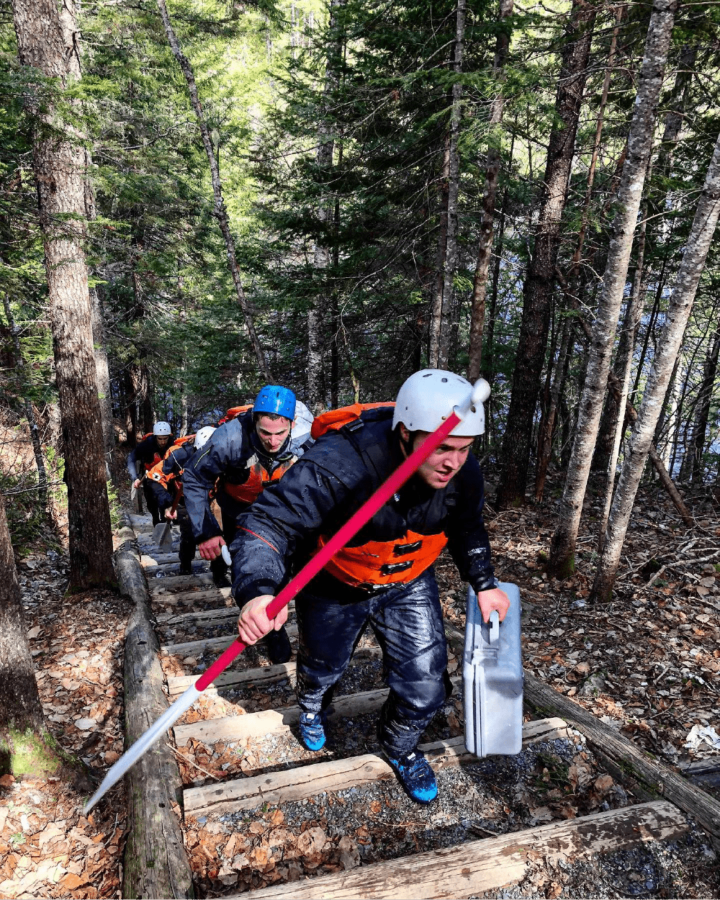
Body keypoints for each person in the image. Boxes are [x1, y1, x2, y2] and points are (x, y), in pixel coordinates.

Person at [229, 370, 510, 804]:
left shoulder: (462, 470)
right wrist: (259, 588)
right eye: (441, 448)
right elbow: (269, 521)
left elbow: (467, 525)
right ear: (405, 433)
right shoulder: (339, 462)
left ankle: (399, 745)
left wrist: (484, 582)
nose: (453, 463)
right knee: (322, 665)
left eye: (464, 448)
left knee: (427, 687)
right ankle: (312, 706)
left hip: (408, 580)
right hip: (335, 580)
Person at [183, 385, 307, 664]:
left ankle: (280, 613)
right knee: (245, 565)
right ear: (254, 422)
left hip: (283, 509)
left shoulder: (306, 437)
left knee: (284, 567)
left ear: (292, 424)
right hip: (239, 509)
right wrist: (206, 531)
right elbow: (194, 476)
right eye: (265, 433)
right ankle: (273, 632)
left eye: (280, 433)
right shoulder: (229, 438)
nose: (273, 441)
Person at [149, 427, 216, 576]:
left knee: (217, 532)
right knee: (189, 534)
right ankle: (185, 567)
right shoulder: (178, 456)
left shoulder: (225, 454)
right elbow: (154, 478)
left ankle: (218, 571)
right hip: (186, 500)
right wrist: (167, 504)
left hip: (212, 498)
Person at [127, 421, 174, 525]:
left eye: (165, 438)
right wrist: (135, 478)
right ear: (155, 437)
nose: (163, 442)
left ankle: (164, 522)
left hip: (166, 476)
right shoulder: (146, 445)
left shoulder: (172, 443)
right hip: (149, 476)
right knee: (151, 503)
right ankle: (156, 519)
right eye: (160, 439)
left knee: (165, 500)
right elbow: (131, 458)